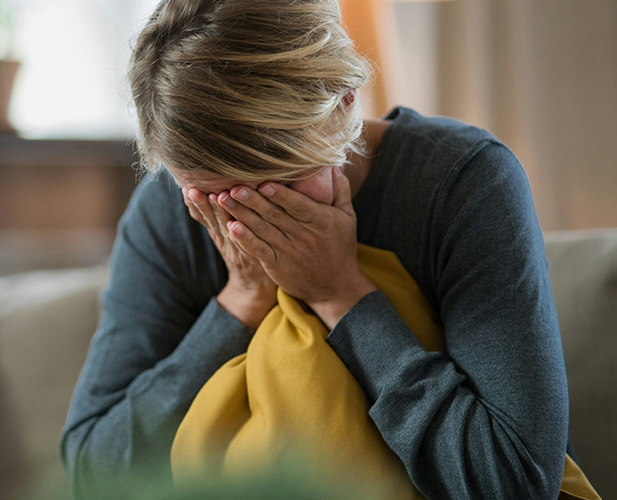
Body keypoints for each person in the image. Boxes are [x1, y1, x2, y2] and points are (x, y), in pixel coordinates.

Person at [60, 0, 576, 498]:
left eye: (274, 187)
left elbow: (516, 481)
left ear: (346, 101)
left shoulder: (463, 183)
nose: (246, 222)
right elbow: (91, 471)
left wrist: (341, 293)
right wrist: (240, 301)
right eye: (216, 198)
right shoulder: (167, 209)